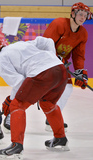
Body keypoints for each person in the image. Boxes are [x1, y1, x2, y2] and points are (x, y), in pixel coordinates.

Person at [0, 36, 70, 159]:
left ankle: (16, 146)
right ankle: (60, 138)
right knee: (47, 103)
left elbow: (19, 82)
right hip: (60, 70)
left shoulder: (1, 61)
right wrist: (51, 58)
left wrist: (10, 100)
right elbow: (48, 41)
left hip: (42, 73)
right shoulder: (18, 44)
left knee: (16, 105)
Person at [42, 2, 91, 132]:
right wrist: (54, 57)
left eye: (85, 15)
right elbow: (45, 44)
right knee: (32, 91)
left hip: (60, 64)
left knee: (68, 88)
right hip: (42, 60)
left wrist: (80, 72)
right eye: (80, 14)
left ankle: (52, 118)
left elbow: (78, 56)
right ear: (73, 13)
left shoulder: (83, 34)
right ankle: (11, 114)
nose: (83, 17)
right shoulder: (59, 24)